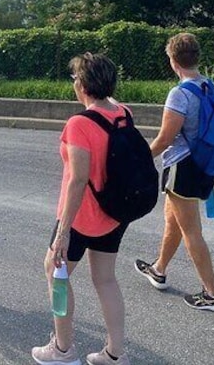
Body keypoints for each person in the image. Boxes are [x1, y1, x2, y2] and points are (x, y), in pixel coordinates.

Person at [32, 52, 131, 365]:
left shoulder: (79, 124)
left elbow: (77, 179)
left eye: (76, 78)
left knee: (56, 272)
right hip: (113, 213)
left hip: (80, 216)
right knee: (106, 279)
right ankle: (116, 353)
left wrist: (62, 232)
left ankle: (62, 349)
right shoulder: (122, 112)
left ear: (83, 86)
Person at [134, 32, 214, 313]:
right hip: (203, 165)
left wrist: (141, 159)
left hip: (182, 167)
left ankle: (213, 295)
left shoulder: (180, 93)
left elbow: (166, 138)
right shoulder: (210, 87)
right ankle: (159, 269)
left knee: (191, 231)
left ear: (173, 61)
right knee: (172, 221)